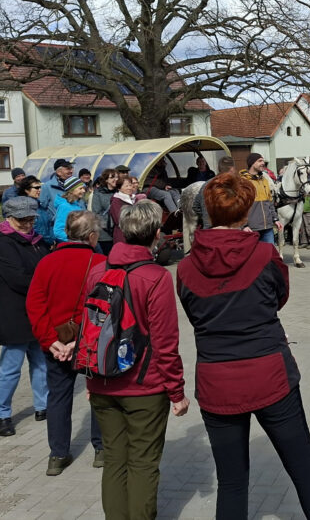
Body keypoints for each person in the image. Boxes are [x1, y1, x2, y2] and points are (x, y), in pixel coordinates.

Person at [176, 174, 310, 519]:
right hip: (269, 373)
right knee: (304, 467)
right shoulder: (264, 254)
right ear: (244, 212)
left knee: (232, 482)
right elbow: (280, 297)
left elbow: (194, 313)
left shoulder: (186, 267)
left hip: (217, 378)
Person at [87, 201, 188, 519]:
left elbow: (88, 327)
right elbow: (165, 343)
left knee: (115, 460)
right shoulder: (155, 277)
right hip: (144, 387)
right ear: (156, 234)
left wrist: (89, 380)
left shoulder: (97, 271)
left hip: (102, 381)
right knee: (143, 463)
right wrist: (177, 392)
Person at [25, 210, 105, 475]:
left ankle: (57, 455)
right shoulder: (100, 262)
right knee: (99, 393)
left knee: (58, 397)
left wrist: (50, 341)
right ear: (92, 236)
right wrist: (79, 340)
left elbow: (34, 304)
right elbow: (100, 307)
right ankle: (101, 450)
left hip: (56, 342)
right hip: (90, 341)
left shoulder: (46, 262)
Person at [0, 196, 50, 438]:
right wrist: (44, 285)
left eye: (30, 219)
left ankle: (43, 406)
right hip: (14, 313)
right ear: (9, 218)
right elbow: (18, 278)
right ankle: (1, 414)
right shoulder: (2, 243)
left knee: (41, 362)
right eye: (21, 220)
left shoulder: (38, 241)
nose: (27, 224)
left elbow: (47, 267)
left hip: (37, 311)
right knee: (10, 368)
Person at [241, 153, 282, 244]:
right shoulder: (243, 181)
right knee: (254, 257)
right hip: (251, 229)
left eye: (263, 161)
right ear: (252, 163)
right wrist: (244, 225)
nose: (263, 163)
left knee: (269, 255)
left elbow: (270, 202)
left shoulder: (264, 180)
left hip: (267, 228)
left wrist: (276, 219)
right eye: (260, 161)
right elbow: (240, 206)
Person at [38, 159, 74, 246]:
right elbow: (42, 209)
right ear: (59, 172)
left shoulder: (74, 185)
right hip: (58, 230)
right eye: (68, 169)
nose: (71, 171)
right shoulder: (47, 187)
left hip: (75, 227)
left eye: (71, 168)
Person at [90, 168, 119, 255]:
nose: (115, 179)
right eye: (112, 177)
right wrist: (111, 224)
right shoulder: (98, 193)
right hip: (104, 233)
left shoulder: (119, 192)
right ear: (106, 180)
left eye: (117, 177)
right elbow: (96, 213)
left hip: (118, 233)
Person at [52, 178, 88, 244]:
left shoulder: (77, 204)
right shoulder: (65, 206)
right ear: (71, 191)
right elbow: (58, 231)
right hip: (73, 245)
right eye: (80, 188)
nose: (83, 191)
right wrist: (74, 241)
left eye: (83, 188)